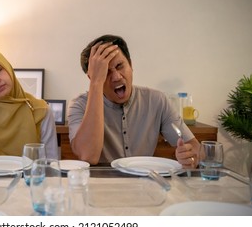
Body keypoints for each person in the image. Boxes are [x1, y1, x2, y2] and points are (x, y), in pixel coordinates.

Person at [67, 34, 200, 168]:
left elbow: (195, 147)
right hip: (101, 185)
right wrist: (96, 82)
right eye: (105, 72)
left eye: (119, 66)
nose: (116, 77)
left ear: (130, 65)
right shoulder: (79, 105)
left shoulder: (157, 100)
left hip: (145, 184)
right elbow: (88, 156)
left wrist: (190, 156)